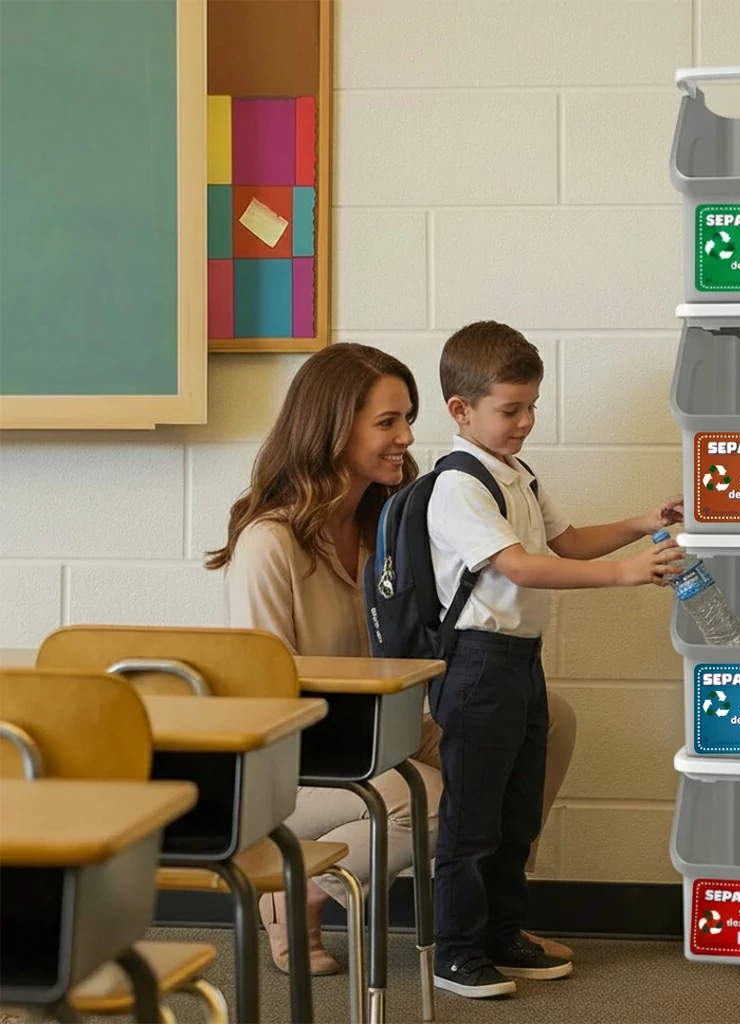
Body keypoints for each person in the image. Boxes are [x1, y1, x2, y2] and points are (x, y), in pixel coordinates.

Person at [205, 342, 577, 975]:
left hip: (387, 729)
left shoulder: (395, 519)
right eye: (388, 422)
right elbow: (262, 693)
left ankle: (487, 916)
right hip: (300, 758)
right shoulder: (270, 543)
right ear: (330, 429)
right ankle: (300, 889)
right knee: (433, 796)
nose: (407, 436)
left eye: (408, 417)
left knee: (549, 723)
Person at [427, 321, 684, 998]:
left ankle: (502, 932)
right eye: (510, 410)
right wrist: (625, 575)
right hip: (477, 665)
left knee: (517, 813)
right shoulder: (459, 484)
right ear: (462, 410)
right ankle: (455, 951)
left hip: (518, 662)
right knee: (471, 819)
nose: (525, 422)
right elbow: (519, 566)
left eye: (531, 407)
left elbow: (566, 543)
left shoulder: (517, 473)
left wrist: (640, 522)